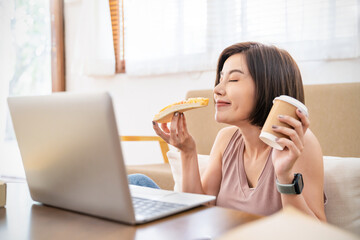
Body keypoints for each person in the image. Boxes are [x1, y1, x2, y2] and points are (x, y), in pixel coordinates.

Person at [149, 42, 326, 221]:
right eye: (220, 79)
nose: (217, 90)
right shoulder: (225, 138)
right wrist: (187, 151)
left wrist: (284, 176)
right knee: (138, 182)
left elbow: (316, 233)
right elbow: (200, 211)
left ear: (267, 86)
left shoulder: (297, 144)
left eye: (233, 80)